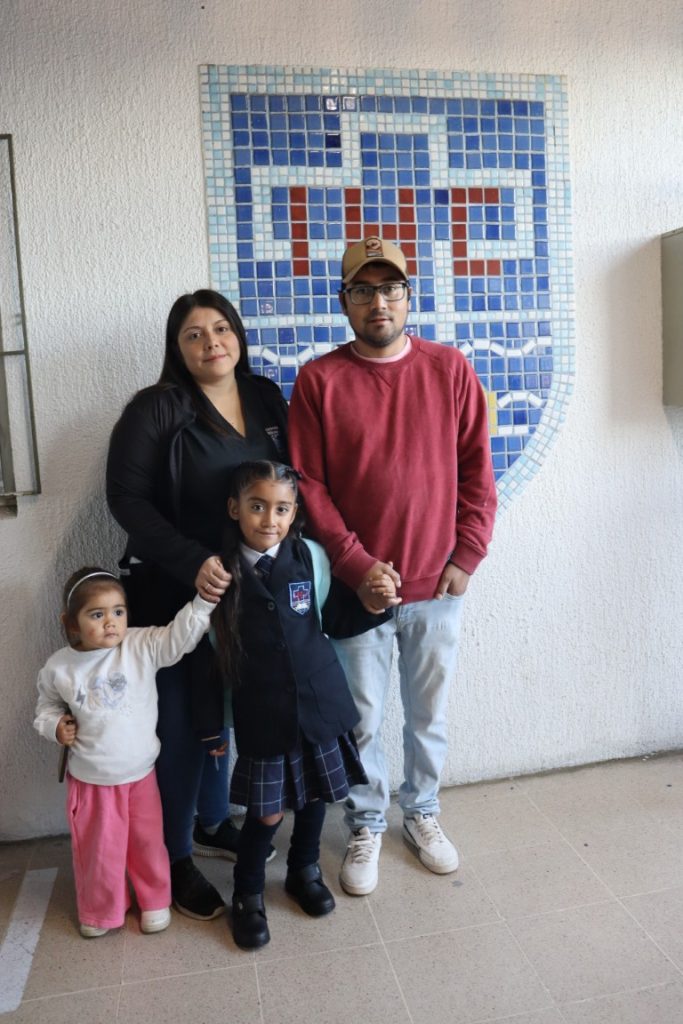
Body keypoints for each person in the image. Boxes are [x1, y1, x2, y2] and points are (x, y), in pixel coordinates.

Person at [288, 236, 497, 896]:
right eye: (362, 290)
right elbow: (308, 486)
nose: (377, 302)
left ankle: (423, 812)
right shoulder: (318, 381)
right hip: (356, 592)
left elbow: (477, 470)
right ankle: (367, 821)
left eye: (389, 289)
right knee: (361, 718)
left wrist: (467, 553)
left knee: (428, 715)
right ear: (343, 301)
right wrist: (355, 566)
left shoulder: (449, 369)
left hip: (436, 585)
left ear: (408, 297)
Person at [106, 290, 288, 920]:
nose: (211, 342)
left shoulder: (265, 397)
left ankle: (213, 821)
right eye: (193, 334)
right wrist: (191, 562)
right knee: (184, 726)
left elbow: (285, 487)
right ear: (176, 348)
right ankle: (175, 854)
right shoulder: (158, 408)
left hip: (245, 591)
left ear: (238, 335)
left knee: (224, 714)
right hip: (174, 592)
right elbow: (126, 500)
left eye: (220, 328)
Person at [211, 460, 396, 949]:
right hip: (263, 715)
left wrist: (376, 603)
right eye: (257, 506)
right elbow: (211, 655)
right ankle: (248, 894)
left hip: (319, 706)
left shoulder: (310, 557)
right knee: (265, 814)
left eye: (281, 508)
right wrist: (213, 724)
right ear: (234, 508)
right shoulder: (220, 574)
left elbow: (332, 617)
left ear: (294, 513)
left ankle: (304, 871)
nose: (269, 519)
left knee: (316, 798)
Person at [33, 567, 216, 937]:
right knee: (100, 851)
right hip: (92, 782)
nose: (110, 622)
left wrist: (204, 601)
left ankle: (155, 899)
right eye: (96, 614)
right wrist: (55, 726)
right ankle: (102, 910)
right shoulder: (59, 667)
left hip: (141, 775)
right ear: (71, 622)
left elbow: (178, 638)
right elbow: (45, 708)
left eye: (118, 611)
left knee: (147, 843)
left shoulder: (139, 645)